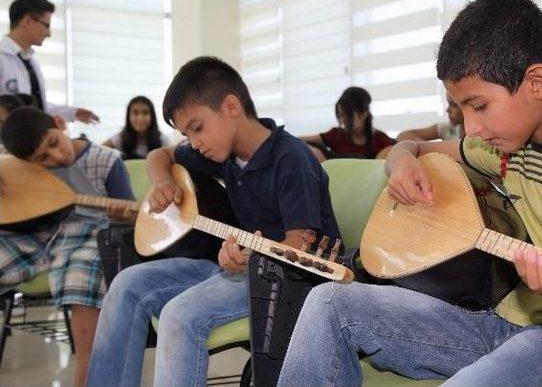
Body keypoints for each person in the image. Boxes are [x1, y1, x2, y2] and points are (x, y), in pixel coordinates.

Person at [277, 0, 542, 386]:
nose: (471, 127)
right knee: (330, 302)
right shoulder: (508, 148)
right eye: (461, 108)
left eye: (479, 106)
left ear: (536, 81)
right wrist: (401, 163)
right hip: (507, 320)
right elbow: (412, 145)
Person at [87, 56, 341, 387]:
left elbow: (297, 249)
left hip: (286, 282)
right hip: (235, 268)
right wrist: (163, 182)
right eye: (187, 134)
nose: (194, 143)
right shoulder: (227, 154)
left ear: (231, 106)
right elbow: (159, 155)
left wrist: (249, 259)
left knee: (178, 315)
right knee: (125, 285)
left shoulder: (292, 161)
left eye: (197, 128)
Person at [0, 107, 135, 387]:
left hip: (93, 231)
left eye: (53, 143)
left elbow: (134, 215)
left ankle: (86, 378)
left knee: (79, 275)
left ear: (60, 123)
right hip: (40, 232)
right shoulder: (21, 168)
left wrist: (124, 214)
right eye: (42, 159)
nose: (57, 157)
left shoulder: (106, 160)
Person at [0, 0, 99, 123]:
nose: (49, 33)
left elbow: (38, 106)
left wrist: (73, 113)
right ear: (27, 21)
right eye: (46, 25)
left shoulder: (30, 61)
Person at [301, 86, 395, 161]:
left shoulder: (381, 140)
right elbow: (298, 140)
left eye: (347, 115)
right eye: (340, 115)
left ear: (363, 114)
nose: (342, 120)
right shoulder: (336, 135)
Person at [102, 95, 172, 159]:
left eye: (145, 113)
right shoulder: (120, 138)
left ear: (152, 117)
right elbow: (99, 152)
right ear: (128, 117)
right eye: (135, 113)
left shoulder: (163, 141)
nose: (140, 118)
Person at [396, 95, 465, 142]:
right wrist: (429, 148)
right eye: (448, 103)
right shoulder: (448, 128)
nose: (447, 110)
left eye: (453, 105)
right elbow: (403, 136)